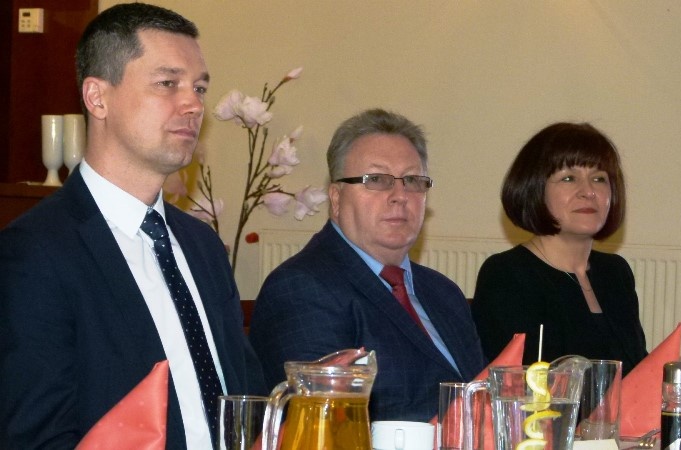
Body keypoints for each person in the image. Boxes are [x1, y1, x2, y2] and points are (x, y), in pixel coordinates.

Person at [0, 4, 266, 449]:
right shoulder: (35, 253)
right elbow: (35, 436)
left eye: (200, 88)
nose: (193, 104)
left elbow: (245, 399)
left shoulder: (201, 245)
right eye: (168, 83)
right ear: (97, 98)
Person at [248, 108, 486, 421]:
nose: (400, 195)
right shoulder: (300, 288)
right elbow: (322, 426)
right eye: (376, 180)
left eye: (412, 181)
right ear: (336, 198)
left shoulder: (444, 292)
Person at [470, 122, 647, 377]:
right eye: (568, 178)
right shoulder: (507, 274)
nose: (588, 192)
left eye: (599, 178)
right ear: (534, 189)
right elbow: (516, 385)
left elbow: (638, 373)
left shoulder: (615, 272)